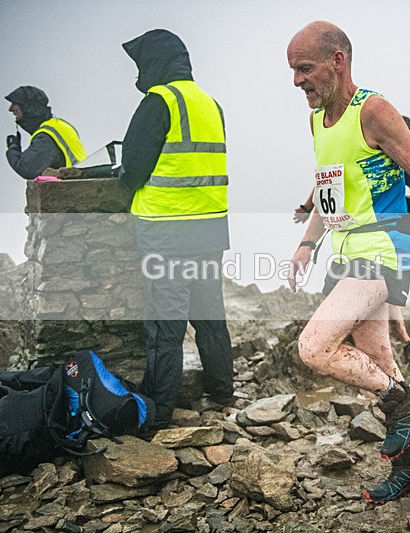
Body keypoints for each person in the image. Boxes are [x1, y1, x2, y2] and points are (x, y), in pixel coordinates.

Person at [287, 21, 410, 504]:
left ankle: (404, 400)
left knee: (314, 348)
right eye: (293, 70)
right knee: (379, 361)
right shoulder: (318, 121)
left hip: (382, 251)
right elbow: (330, 194)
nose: (297, 81)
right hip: (345, 253)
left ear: (338, 61)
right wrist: (306, 244)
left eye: (305, 68)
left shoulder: (373, 111)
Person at [293, 115, 410, 364]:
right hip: (359, 243)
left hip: (389, 241)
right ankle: (403, 347)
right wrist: (308, 209)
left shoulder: (398, 166)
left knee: (383, 294)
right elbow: (327, 183)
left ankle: (405, 341)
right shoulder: (369, 154)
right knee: (377, 304)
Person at [119, 29, 234, 428]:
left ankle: (158, 410)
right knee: (209, 317)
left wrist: (125, 187)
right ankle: (222, 393)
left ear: (155, 62)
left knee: (165, 326)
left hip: (167, 232)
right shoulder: (210, 103)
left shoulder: (159, 101)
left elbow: (133, 168)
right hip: (210, 229)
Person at [5, 86, 87, 179]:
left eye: (14, 104)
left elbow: (26, 169)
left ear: (27, 107)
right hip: (82, 180)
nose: (10, 109)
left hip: (75, 185)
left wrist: (13, 148)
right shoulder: (60, 125)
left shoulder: (46, 136)